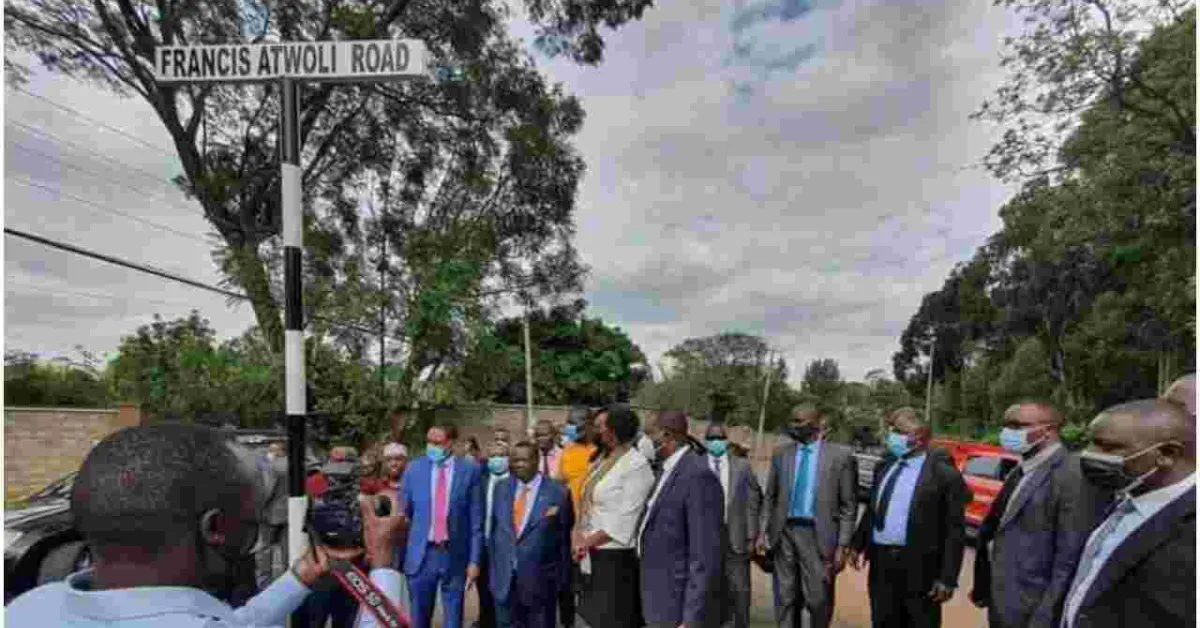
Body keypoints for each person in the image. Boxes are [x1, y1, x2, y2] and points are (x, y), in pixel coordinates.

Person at [6, 423, 407, 627]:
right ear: (216, 530)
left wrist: (297, 577)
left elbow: (234, 623)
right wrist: (385, 566)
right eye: (251, 522)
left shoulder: (26, 611)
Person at [970, 402, 1109, 628]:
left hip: (1034, 611)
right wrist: (983, 587)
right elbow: (996, 532)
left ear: (1048, 430)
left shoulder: (1073, 475)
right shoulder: (1021, 470)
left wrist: (1046, 617)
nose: (1007, 433)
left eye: (1017, 426)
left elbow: (1070, 558)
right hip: (1003, 602)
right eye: (1006, 426)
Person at [1059, 399, 1195, 628]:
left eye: (1108, 447)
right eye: (1090, 443)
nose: (1089, 454)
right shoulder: (1121, 493)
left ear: (1167, 453)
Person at [849, 408, 969, 628]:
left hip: (921, 567)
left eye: (898, 431)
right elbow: (873, 509)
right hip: (881, 564)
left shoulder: (944, 475)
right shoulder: (884, 466)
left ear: (919, 438)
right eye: (891, 429)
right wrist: (857, 544)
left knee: (919, 621)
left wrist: (947, 578)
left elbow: (955, 531)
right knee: (883, 620)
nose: (891, 435)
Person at [759, 404, 857, 628]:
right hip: (784, 534)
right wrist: (763, 530)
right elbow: (770, 497)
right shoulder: (781, 453)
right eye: (791, 422)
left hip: (818, 536)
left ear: (814, 424)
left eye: (798, 422)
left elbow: (848, 506)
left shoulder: (840, 457)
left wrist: (842, 545)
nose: (793, 427)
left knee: (818, 599)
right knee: (785, 596)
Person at [637, 410, 724, 628]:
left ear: (666, 436)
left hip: (676, 605)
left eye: (649, 434)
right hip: (657, 597)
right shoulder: (664, 471)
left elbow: (703, 555)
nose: (644, 441)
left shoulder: (697, 476)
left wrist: (690, 619)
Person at [573, 403, 656, 628]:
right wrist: (577, 535)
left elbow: (624, 521)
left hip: (614, 560)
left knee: (609, 620)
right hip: (589, 554)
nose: (597, 431)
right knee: (587, 618)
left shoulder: (637, 465)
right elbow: (586, 502)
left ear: (616, 429)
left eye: (602, 426)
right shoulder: (602, 460)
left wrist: (585, 542)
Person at [401, 424, 484, 628]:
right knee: (419, 617)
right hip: (422, 555)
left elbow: (476, 519)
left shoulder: (470, 470)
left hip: (453, 554)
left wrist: (474, 561)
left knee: (453, 618)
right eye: (429, 441)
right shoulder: (414, 469)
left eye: (437, 443)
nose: (432, 446)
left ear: (451, 443)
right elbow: (406, 512)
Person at [489, 441, 574, 628]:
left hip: (541, 584)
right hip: (504, 581)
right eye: (514, 460)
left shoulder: (558, 492)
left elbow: (563, 539)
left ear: (536, 460)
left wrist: (562, 581)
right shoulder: (501, 488)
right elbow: (496, 531)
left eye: (523, 460)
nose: (518, 464)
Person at [704, 422, 763, 628]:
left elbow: (754, 500)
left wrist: (753, 534)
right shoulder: (696, 464)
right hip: (705, 537)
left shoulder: (742, 466)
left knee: (740, 590)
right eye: (711, 438)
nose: (716, 442)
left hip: (735, 535)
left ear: (726, 440)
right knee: (709, 587)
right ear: (705, 441)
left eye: (720, 438)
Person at [477, 439, 512, 628]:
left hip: (504, 546)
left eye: (501, 455)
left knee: (503, 589)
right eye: (492, 456)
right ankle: (485, 621)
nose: (496, 459)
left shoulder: (514, 483)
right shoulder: (481, 480)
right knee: (483, 589)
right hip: (483, 544)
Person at [257, 441, 290, 588]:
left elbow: (268, 489)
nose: (268, 453)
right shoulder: (294, 464)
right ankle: (287, 580)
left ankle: (264, 581)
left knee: (265, 547)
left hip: (271, 513)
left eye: (271, 450)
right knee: (287, 548)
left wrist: (260, 505)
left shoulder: (273, 467)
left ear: (278, 451)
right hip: (290, 512)